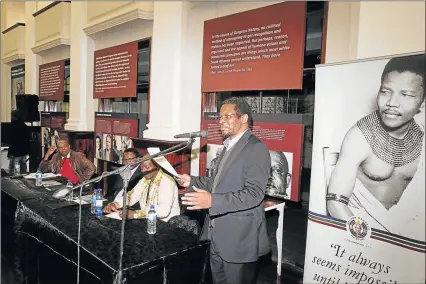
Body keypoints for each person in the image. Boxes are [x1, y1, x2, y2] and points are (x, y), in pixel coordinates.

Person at [177, 97, 271, 284]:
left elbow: (254, 195)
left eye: (227, 116)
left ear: (244, 118)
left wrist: (213, 201)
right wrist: (192, 180)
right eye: (220, 117)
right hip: (217, 235)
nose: (221, 121)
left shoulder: (256, 148)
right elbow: (217, 183)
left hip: (239, 239)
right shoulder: (229, 146)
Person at [326, 55, 425, 233]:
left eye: (406, 95)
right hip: (360, 233)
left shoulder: (422, 138)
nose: (391, 103)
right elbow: (335, 203)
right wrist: (366, 241)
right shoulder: (359, 136)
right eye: (385, 91)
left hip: (407, 236)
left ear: (423, 102)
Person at [103, 155, 180, 222]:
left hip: (166, 224)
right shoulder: (144, 180)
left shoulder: (167, 181)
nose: (143, 170)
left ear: (157, 166)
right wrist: (115, 204)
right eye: (141, 167)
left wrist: (136, 214)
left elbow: (163, 211)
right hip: (146, 220)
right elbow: (131, 196)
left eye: (146, 167)